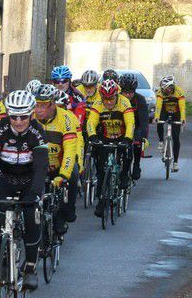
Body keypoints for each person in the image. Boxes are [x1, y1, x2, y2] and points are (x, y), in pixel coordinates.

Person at [0, 90, 48, 291]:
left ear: (31, 114)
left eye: (23, 116)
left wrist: (34, 193)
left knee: (32, 216)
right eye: (14, 116)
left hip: (29, 180)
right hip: (5, 178)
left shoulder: (37, 131)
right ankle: (4, 260)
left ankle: (30, 268)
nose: (18, 121)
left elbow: (41, 167)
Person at [33, 84, 78, 235]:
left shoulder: (66, 119)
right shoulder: (30, 118)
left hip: (59, 165)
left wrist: (64, 174)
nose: (37, 109)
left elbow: (71, 149)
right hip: (37, 167)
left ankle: (65, 214)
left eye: (42, 105)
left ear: (52, 104)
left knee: (73, 176)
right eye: (36, 104)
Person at [86, 79, 134, 218]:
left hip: (122, 136)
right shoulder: (98, 104)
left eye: (111, 98)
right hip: (105, 137)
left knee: (128, 152)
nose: (108, 102)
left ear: (116, 95)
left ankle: (124, 175)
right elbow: (91, 122)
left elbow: (130, 123)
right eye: (105, 98)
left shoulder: (124, 102)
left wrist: (127, 139)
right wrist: (93, 136)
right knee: (101, 170)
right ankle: (101, 200)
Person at [119, 73, 149, 181]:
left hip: (136, 126)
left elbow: (144, 121)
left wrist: (143, 137)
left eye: (130, 92)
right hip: (120, 126)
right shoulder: (115, 98)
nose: (127, 95)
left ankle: (136, 164)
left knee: (137, 141)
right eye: (125, 92)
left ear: (135, 90)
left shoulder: (140, 99)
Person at [155, 75, 186, 172]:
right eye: (163, 89)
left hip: (176, 113)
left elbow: (182, 107)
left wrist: (183, 119)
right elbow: (158, 105)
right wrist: (156, 116)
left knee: (176, 138)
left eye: (166, 89)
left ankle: (175, 162)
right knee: (159, 121)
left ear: (171, 87)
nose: (164, 91)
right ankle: (161, 141)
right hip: (164, 111)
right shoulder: (160, 92)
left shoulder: (179, 92)